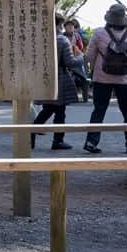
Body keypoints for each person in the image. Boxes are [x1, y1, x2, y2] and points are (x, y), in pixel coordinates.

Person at [83, 3, 127, 154]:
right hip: (124, 80)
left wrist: (98, 67)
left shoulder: (99, 33)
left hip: (101, 79)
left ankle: (91, 142)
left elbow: (89, 56)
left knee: (99, 110)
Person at [31, 14, 85, 150]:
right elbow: (70, 62)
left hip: (43, 78)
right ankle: (57, 141)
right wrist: (81, 57)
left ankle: (31, 133)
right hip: (59, 78)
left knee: (48, 108)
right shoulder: (61, 40)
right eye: (61, 24)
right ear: (58, 24)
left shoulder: (37, 38)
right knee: (59, 111)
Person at [63, 18, 90, 102]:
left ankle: (85, 97)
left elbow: (81, 47)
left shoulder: (77, 36)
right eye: (68, 26)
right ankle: (69, 98)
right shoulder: (62, 36)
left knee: (84, 79)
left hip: (77, 61)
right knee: (69, 79)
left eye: (72, 26)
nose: (70, 27)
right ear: (65, 27)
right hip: (66, 61)